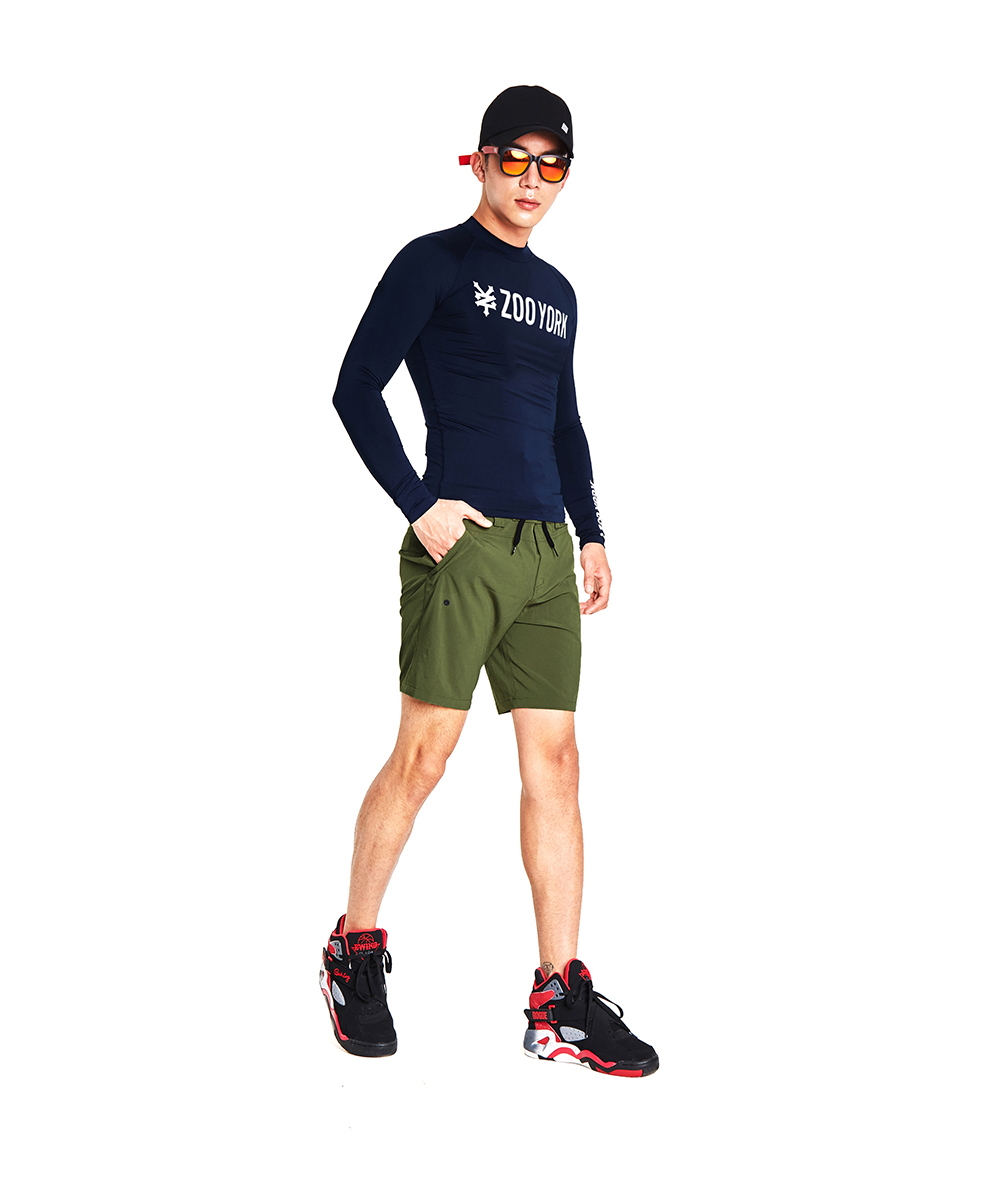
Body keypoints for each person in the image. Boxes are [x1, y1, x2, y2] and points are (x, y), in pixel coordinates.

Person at [321, 85, 657, 1077]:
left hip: (547, 551)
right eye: (515, 158)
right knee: (424, 754)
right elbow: (354, 387)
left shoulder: (558, 292)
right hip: (460, 544)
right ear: (477, 162)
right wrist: (417, 504)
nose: (531, 179)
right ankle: (353, 949)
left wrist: (590, 533)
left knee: (558, 764)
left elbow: (564, 422)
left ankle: (559, 997)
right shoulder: (431, 262)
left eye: (552, 164)